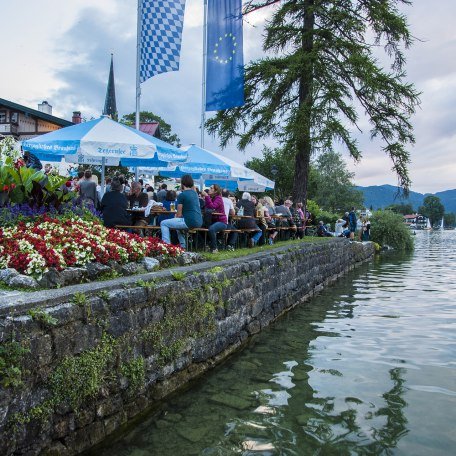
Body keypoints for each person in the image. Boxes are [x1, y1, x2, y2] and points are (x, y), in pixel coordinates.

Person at [160, 174, 202, 249]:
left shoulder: (182, 195)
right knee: (177, 226)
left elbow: (179, 214)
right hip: (199, 221)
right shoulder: (195, 194)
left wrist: (175, 217)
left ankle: (166, 246)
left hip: (189, 221)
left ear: (182, 183)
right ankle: (183, 246)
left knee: (163, 223)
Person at [202, 184, 227, 253]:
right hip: (213, 220)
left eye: (211, 188)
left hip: (222, 222)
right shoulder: (211, 198)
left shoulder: (218, 198)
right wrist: (207, 198)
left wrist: (206, 196)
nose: (209, 189)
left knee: (211, 229)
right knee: (201, 227)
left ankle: (214, 248)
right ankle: (206, 245)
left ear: (216, 191)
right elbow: (207, 208)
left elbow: (212, 207)